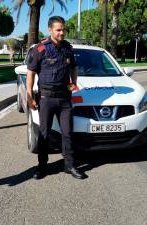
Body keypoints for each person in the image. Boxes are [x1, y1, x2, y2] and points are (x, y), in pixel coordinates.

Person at [26, 16, 87, 180]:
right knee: (44, 134)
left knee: (67, 133)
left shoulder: (68, 48)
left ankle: (70, 165)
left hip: (65, 99)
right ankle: (42, 167)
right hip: (46, 98)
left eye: (63, 29)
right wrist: (29, 95)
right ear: (50, 30)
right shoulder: (40, 49)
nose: (62, 32)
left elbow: (74, 67)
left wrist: (74, 82)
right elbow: (31, 73)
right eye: (58, 29)